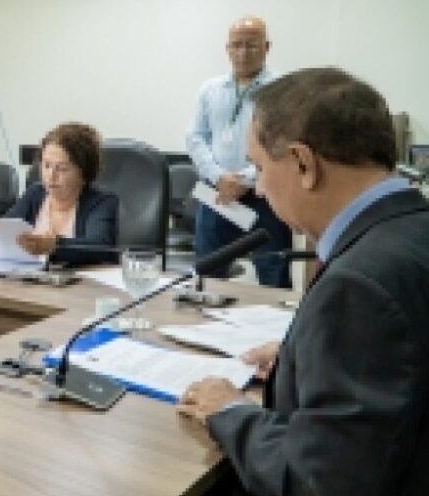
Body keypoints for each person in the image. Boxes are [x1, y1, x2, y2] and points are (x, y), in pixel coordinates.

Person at [177, 68, 429, 495]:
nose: (260, 189)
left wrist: (231, 411)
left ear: (303, 164)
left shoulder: (358, 286)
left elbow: (318, 481)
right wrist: (304, 358)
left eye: (260, 168)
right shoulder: (411, 229)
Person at [186, 16, 292, 288]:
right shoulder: (210, 89)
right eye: (237, 45)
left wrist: (246, 178)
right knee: (207, 275)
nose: (243, 53)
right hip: (217, 194)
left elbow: (284, 142)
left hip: (264, 194)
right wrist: (218, 176)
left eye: (252, 45)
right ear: (227, 48)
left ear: (267, 47)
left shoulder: (282, 90)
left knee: (273, 273)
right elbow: (196, 137)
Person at [0, 122, 118, 265]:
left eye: (62, 168)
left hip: (76, 279)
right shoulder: (35, 194)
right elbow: (4, 231)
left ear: (84, 173)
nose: (51, 176)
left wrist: (54, 246)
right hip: (28, 277)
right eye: (46, 165)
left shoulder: (102, 202)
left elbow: (100, 247)